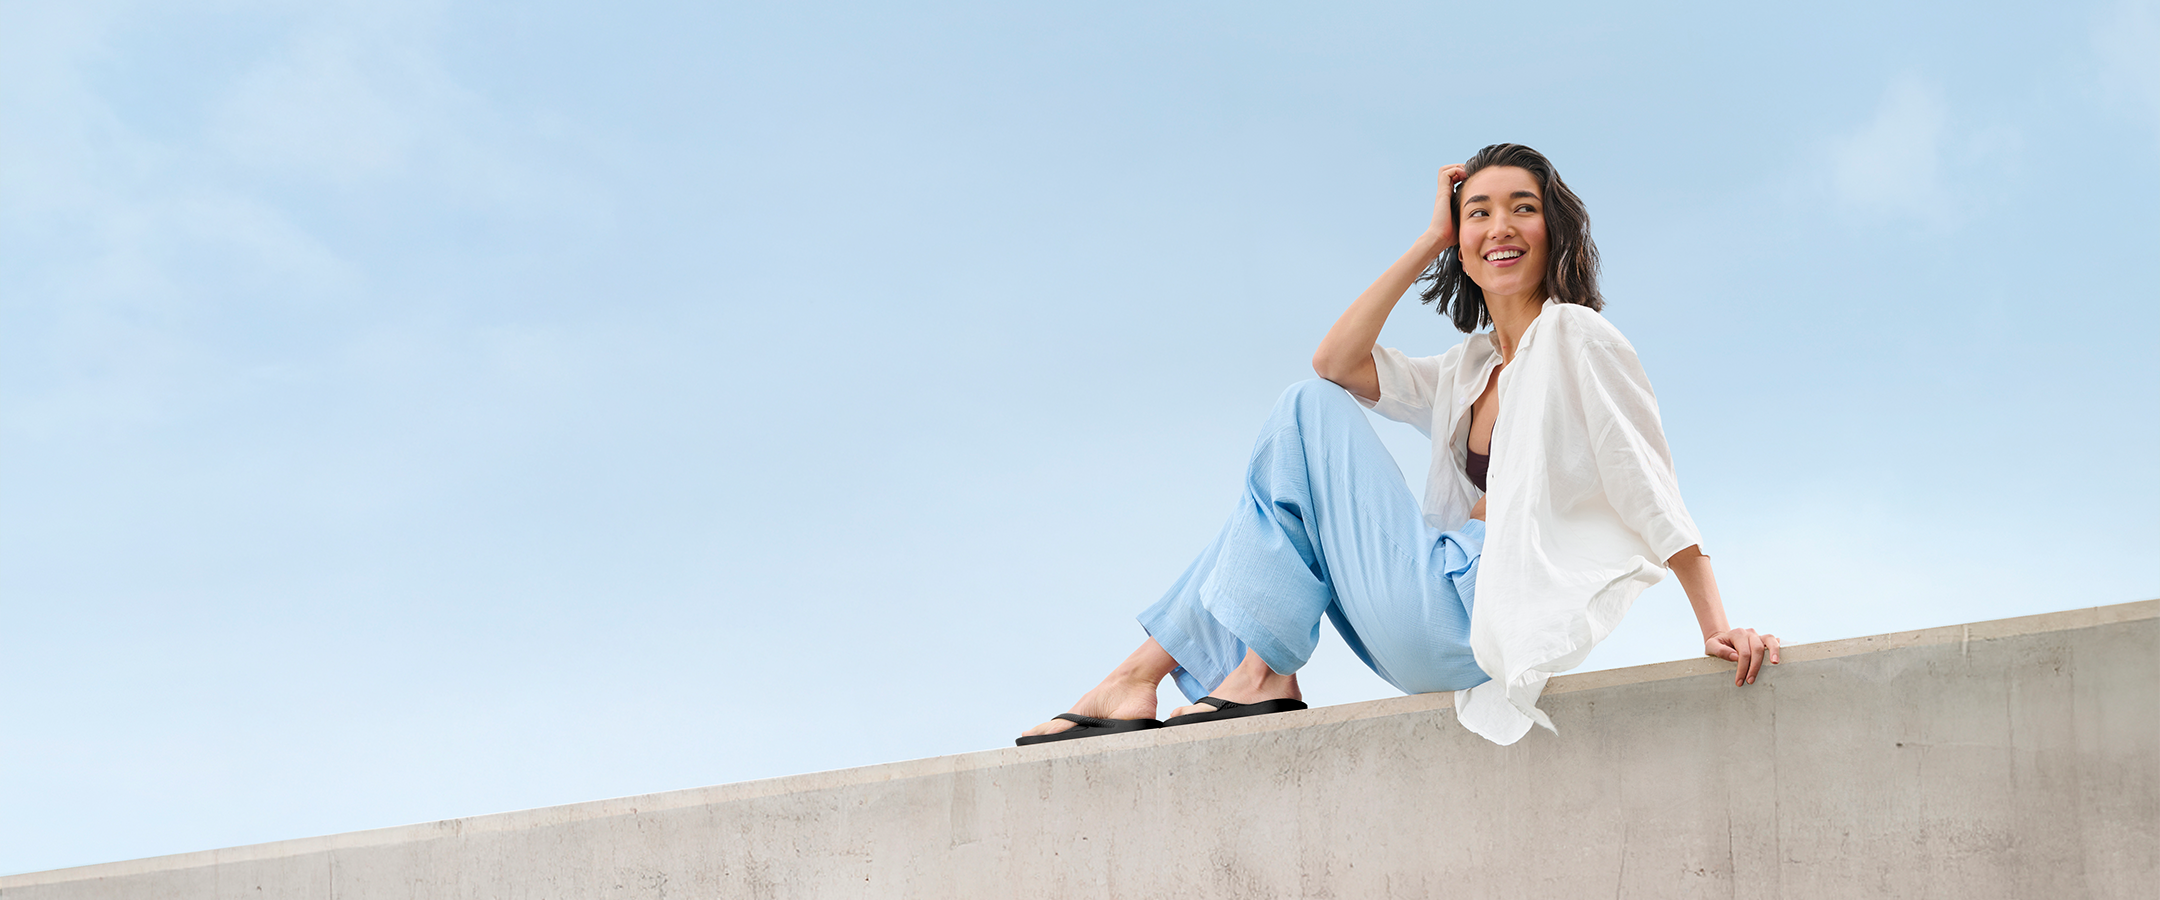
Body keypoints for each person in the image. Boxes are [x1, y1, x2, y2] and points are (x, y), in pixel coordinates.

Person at [1017, 143, 1777, 748]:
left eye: (1522, 208)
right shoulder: (1470, 368)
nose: (1500, 227)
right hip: (1428, 610)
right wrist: (1430, 239)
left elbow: (1648, 483)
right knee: (1287, 483)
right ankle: (1149, 678)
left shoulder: (1576, 338)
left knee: (1305, 418)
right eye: (1478, 213)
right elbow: (1337, 361)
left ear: (1557, 230)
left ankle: (1239, 671)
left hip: (1479, 610)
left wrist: (1716, 625)